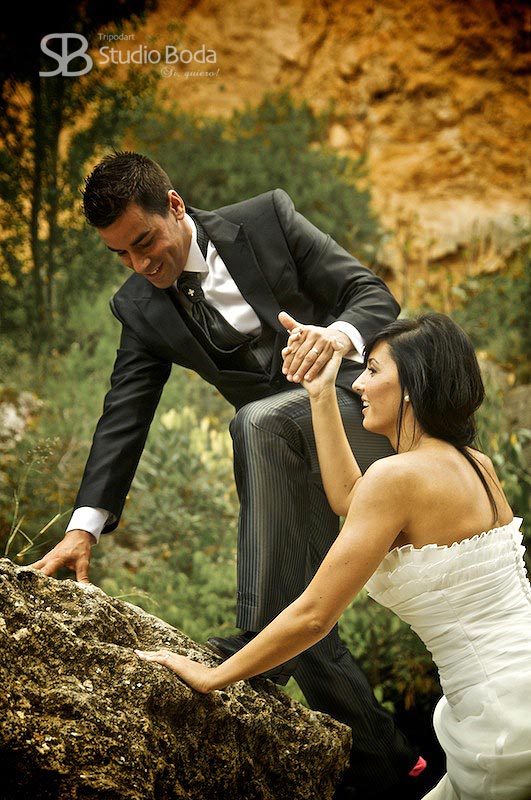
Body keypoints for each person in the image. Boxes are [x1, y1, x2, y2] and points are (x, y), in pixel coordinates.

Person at [30, 150, 426, 798]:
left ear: (176, 207)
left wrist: (335, 338)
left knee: (256, 424)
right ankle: (391, 762)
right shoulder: (139, 306)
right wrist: (84, 529)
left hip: (362, 418)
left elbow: (372, 296)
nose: (140, 265)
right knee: (296, 602)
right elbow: (123, 415)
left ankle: (252, 637)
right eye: (120, 256)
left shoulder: (265, 219)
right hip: (284, 462)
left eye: (145, 242)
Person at [136, 312, 531, 800]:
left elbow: (314, 617)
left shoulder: (397, 478)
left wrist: (213, 676)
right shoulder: (475, 464)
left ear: (411, 387)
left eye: (372, 371)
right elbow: (352, 499)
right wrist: (320, 392)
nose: (360, 384)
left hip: (501, 715)